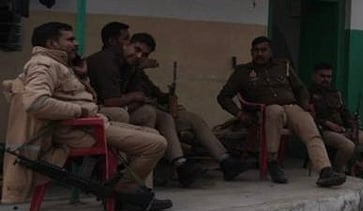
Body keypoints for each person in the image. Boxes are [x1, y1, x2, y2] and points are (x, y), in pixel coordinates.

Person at [3, 21, 171, 211]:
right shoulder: (43, 64)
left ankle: (127, 188)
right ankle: (124, 191)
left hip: (90, 124)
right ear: (52, 44)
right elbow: (36, 103)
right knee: (156, 144)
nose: (76, 43)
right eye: (70, 39)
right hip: (80, 129)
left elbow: (77, 97)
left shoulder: (59, 64)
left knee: (151, 132)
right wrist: (79, 112)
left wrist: (82, 77)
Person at [216, 36, 345, 188]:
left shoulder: (283, 66)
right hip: (266, 110)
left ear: (270, 52)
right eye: (256, 51)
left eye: (263, 50)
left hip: (291, 106)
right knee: (275, 110)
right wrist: (239, 114)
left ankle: (325, 170)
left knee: (310, 128)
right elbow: (223, 97)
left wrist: (305, 105)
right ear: (251, 53)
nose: (259, 54)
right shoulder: (243, 72)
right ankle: (272, 162)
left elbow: (300, 88)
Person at [87, 21, 204, 187]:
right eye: (130, 43)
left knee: (155, 114)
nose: (139, 54)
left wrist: (154, 97)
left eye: (143, 53)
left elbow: (146, 94)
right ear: (114, 42)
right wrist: (135, 98)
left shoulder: (130, 64)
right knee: (147, 116)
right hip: (103, 115)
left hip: (127, 111)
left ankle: (171, 168)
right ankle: (136, 179)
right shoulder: (105, 61)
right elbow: (112, 101)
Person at [127, 32, 253, 182]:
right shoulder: (123, 66)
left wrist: (169, 95)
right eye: (137, 50)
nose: (140, 56)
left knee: (193, 119)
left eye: (145, 54)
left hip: (158, 112)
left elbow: (156, 93)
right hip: (139, 114)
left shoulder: (139, 72)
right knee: (163, 117)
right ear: (128, 47)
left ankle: (225, 161)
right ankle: (181, 165)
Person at [309, 62, 363, 179]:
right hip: (323, 131)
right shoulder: (307, 93)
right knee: (348, 146)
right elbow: (309, 117)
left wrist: (353, 125)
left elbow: (345, 113)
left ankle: (359, 169)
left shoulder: (336, 94)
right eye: (322, 76)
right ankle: (336, 173)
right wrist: (327, 123)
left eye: (329, 77)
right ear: (314, 76)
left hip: (344, 129)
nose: (326, 80)